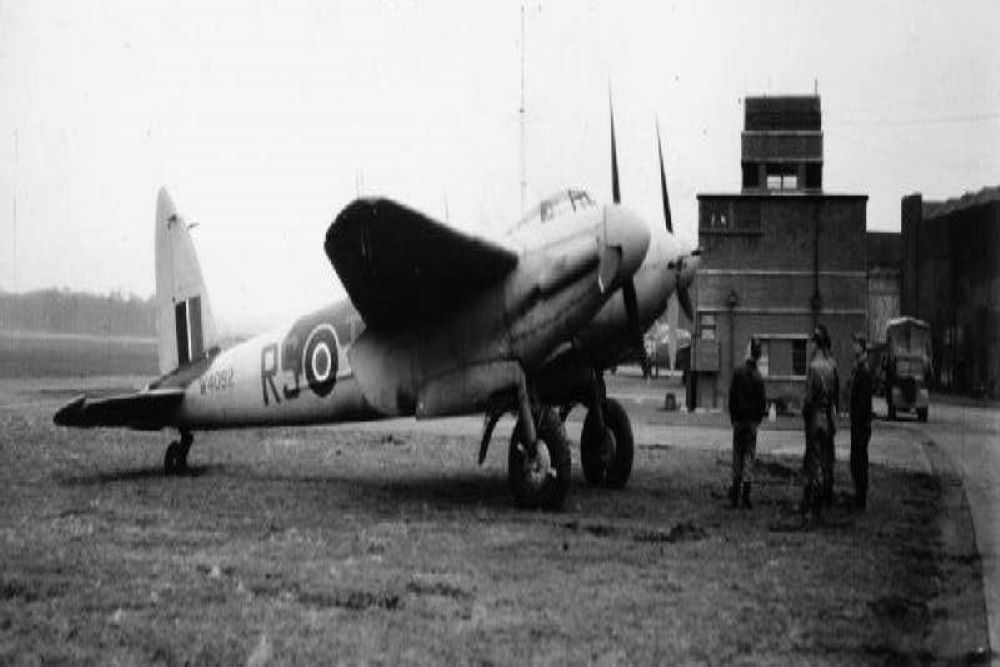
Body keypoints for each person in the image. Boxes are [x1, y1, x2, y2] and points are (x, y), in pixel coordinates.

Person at [801, 324, 839, 522]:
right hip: (829, 419)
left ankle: (813, 505)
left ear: (816, 343)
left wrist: (804, 414)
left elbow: (808, 399)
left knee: (814, 461)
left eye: (812, 342)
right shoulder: (832, 365)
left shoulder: (813, 367)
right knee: (827, 461)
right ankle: (827, 498)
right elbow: (836, 395)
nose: (811, 346)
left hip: (815, 418)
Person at [727, 336, 767, 509]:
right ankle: (746, 497)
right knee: (749, 458)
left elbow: (732, 398)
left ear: (749, 352)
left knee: (737, 457)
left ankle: (735, 496)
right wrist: (757, 420)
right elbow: (762, 404)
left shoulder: (738, 372)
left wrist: (733, 418)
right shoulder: (758, 378)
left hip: (739, 422)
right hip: (751, 423)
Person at [849, 332, 873, 510]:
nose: (853, 347)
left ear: (862, 347)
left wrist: (860, 422)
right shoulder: (859, 368)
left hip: (861, 424)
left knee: (859, 461)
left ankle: (861, 498)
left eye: (856, 344)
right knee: (856, 460)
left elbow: (863, 401)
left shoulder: (863, 370)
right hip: (858, 423)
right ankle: (859, 495)